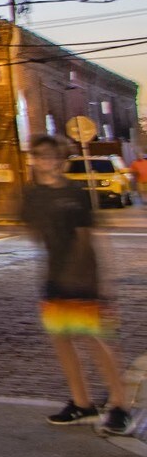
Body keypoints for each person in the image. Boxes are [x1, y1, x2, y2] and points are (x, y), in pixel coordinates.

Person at [22, 135, 135, 435]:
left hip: (83, 278)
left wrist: (100, 280)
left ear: (60, 160)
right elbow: (33, 231)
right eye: (39, 155)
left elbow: (89, 236)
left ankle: (120, 406)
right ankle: (82, 403)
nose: (45, 161)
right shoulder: (33, 195)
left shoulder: (76, 193)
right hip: (54, 276)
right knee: (62, 340)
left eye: (50, 156)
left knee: (96, 341)